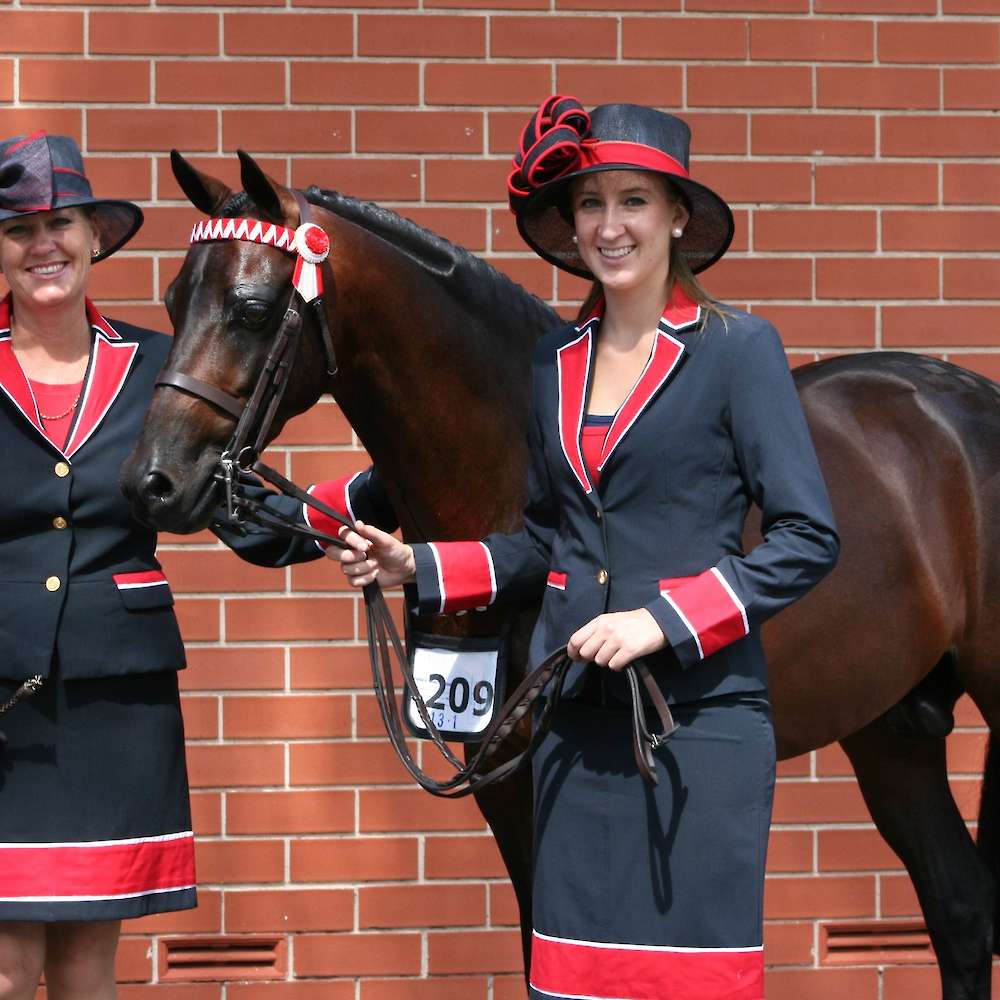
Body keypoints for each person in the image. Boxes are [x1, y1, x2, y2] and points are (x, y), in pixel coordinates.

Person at [319, 97, 840, 1000]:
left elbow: (807, 539)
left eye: (634, 201)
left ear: (677, 217)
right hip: (572, 728)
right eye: (591, 204)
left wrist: (660, 621)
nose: (610, 226)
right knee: (572, 985)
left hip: (699, 727)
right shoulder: (551, 364)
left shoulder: (738, 351)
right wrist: (422, 565)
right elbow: (544, 540)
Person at [0, 132, 195, 1000]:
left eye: (62, 221)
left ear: (94, 236)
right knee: (7, 966)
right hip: (3, 692)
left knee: (84, 962)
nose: (44, 244)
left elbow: (225, 496)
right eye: (19, 228)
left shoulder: (159, 365)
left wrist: (353, 508)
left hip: (117, 686)